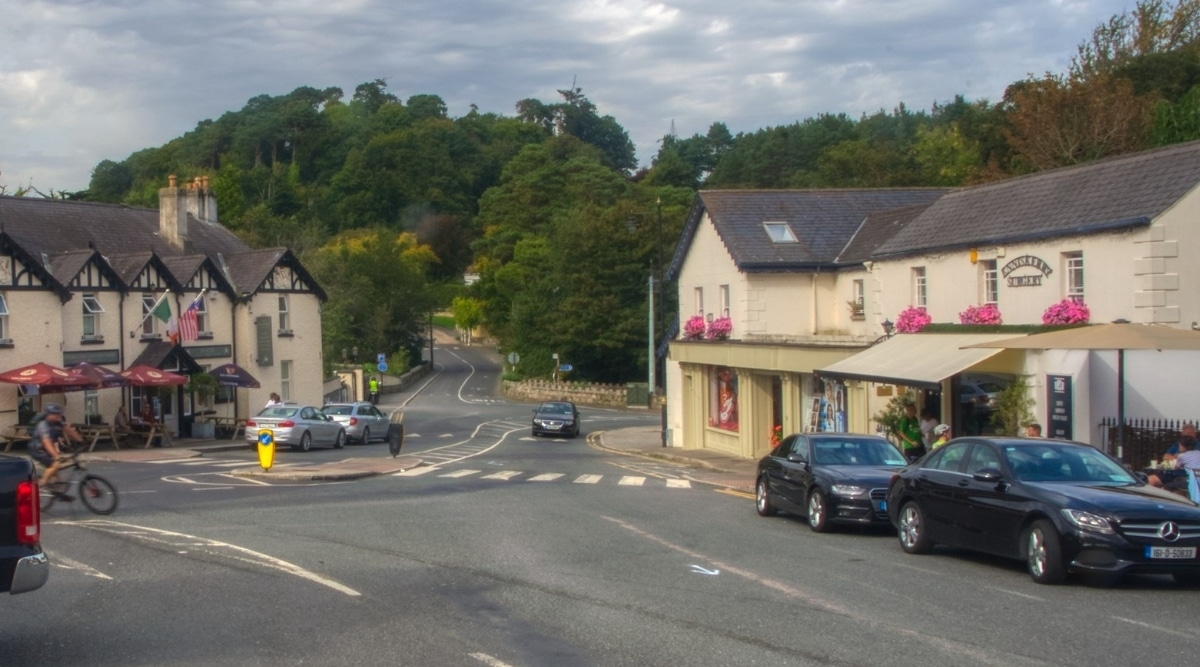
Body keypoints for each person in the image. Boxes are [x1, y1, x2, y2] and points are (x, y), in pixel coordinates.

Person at [29, 404, 83, 499]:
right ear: (48, 415)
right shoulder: (43, 425)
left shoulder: (58, 422)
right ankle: (41, 483)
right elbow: (46, 442)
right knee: (55, 463)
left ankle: (59, 494)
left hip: (46, 448)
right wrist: (56, 455)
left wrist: (80, 440)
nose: (58, 416)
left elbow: (69, 430)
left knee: (55, 471)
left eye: (59, 414)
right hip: (37, 449)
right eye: (55, 414)